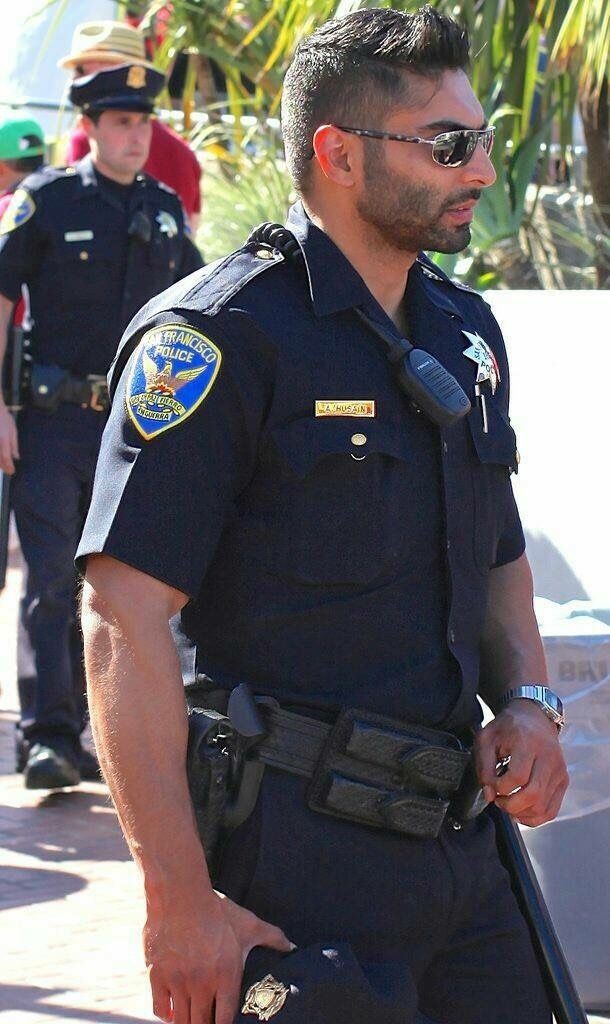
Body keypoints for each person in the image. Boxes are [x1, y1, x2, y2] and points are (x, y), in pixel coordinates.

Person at [78, 8, 568, 1024]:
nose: (479, 169)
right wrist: (176, 901)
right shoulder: (219, 337)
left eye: (478, 138)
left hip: (463, 853)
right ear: (338, 154)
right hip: (298, 865)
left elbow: (498, 554)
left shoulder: (462, 330)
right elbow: (121, 620)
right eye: (446, 144)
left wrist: (527, 699)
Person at [0, 63, 203, 790]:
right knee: (52, 581)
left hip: (136, 433)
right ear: (89, 125)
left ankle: (108, 737)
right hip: (52, 426)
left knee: (126, 591)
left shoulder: (164, 207)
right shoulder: (43, 201)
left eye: (144, 122)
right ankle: (49, 737)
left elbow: (199, 310)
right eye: (122, 122)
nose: (136, 135)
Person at [60, 20, 202, 231]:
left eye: (83, 71)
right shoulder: (182, 152)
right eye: (78, 72)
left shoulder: (86, 140)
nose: (75, 81)